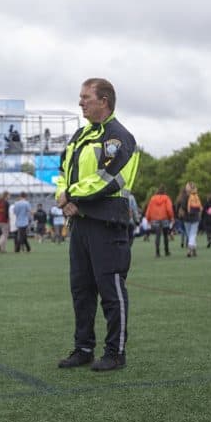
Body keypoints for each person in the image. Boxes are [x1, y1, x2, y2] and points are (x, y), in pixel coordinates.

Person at [56, 78, 140, 372]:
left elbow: (109, 179)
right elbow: (62, 173)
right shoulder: (79, 135)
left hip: (107, 222)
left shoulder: (119, 137)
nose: (80, 102)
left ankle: (115, 352)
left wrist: (71, 195)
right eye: (80, 97)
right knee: (81, 289)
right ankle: (83, 348)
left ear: (103, 101)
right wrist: (62, 197)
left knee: (111, 289)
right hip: (79, 222)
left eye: (85, 97)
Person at [145, 186, 174, 257]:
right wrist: (171, 217)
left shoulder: (152, 198)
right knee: (165, 235)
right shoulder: (166, 198)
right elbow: (169, 209)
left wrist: (148, 219)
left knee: (157, 236)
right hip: (165, 218)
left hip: (155, 219)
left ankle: (157, 252)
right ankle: (166, 251)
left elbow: (149, 209)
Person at [184, 182, 202, 257]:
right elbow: (200, 207)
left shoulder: (184, 196)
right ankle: (193, 249)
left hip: (186, 218)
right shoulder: (196, 195)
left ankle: (189, 249)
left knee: (189, 234)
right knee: (193, 234)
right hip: (195, 217)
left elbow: (181, 205)